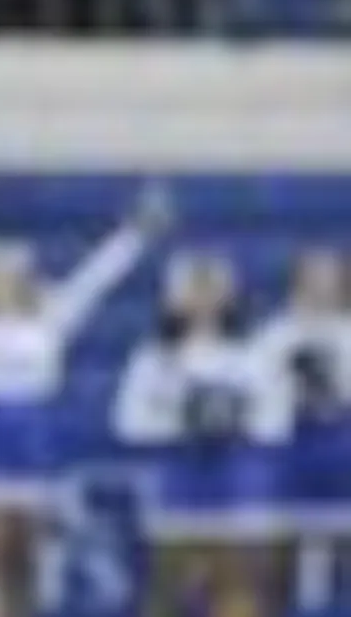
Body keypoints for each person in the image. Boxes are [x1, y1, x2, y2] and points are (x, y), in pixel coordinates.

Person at [0, 186, 170, 617]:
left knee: (25, 567)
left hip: (31, 447)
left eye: (17, 268)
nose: (8, 275)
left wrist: (134, 236)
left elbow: (94, 281)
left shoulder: (48, 317)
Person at [113, 253, 290, 617]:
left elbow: (276, 420)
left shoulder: (253, 354)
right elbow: (128, 422)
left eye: (211, 290)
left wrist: (235, 424)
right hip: (177, 485)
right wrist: (183, 424)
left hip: (237, 484)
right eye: (194, 290)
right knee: (167, 592)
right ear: (174, 298)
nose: (202, 301)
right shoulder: (152, 358)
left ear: (229, 296)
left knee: (239, 588)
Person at [255, 250, 351, 614]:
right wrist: (292, 389)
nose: (321, 289)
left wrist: (334, 392)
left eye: (330, 281)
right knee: (301, 544)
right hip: (292, 449)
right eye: (313, 280)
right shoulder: (275, 334)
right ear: (297, 284)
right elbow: (256, 390)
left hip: (342, 444)